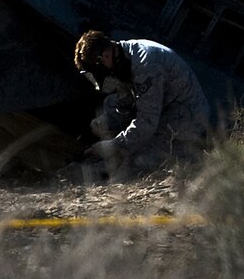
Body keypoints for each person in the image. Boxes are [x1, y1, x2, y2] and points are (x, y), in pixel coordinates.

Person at [71, 30, 214, 175]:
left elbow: (146, 122)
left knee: (134, 165)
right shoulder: (123, 56)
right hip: (162, 110)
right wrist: (103, 125)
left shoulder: (145, 66)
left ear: (105, 56)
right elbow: (125, 102)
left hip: (186, 118)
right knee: (109, 107)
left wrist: (112, 146)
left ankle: (187, 151)